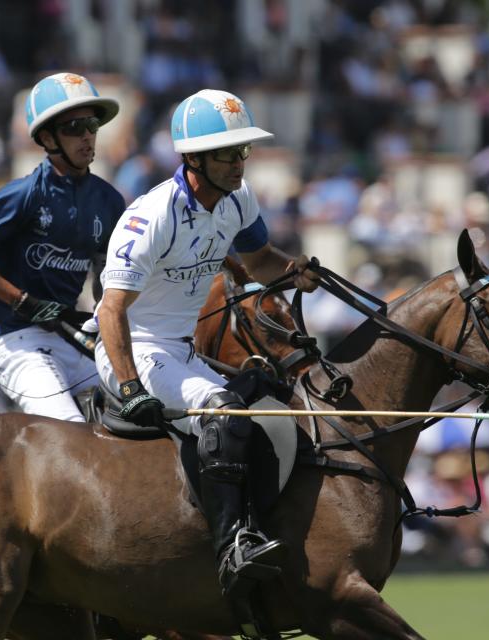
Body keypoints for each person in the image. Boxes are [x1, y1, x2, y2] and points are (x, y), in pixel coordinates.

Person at [95, 89, 320, 597]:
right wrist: (130, 386)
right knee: (223, 411)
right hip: (136, 349)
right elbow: (111, 310)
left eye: (244, 151)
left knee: (272, 400)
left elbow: (260, 260)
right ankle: (232, 546)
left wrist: (293, 270)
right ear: (193, 159)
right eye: (227, 153)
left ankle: (267, 526)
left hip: (184, 351)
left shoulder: (238, 200)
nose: (240, 162)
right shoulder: (152, 215)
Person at [0, 72, 124, 420]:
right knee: (71, 432)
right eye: (75, 127)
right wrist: (22, 301)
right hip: (20, 343)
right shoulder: (25, 194)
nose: (87, 136)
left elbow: (110, 273)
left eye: (91, 125)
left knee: (141, 415)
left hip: (73, 340)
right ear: (47, 137)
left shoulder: (109, 200)